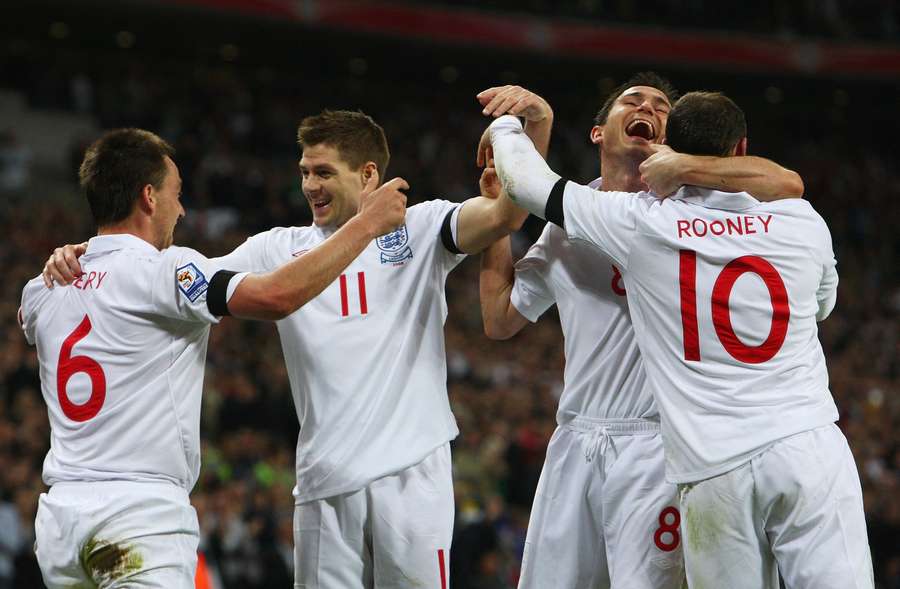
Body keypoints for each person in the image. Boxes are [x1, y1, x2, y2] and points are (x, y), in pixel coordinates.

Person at [43, 109, 537, 587]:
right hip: (323, 481)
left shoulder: (421, 227)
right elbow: (163, 274)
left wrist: (523, 142)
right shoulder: (274, 249)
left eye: (323, 172)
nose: (309, 186)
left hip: (412, 472)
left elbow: (505, 215)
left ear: (368, 174)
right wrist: (85, 252)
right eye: (304, 172)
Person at [485, 91, 874, 589]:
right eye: (633, 100)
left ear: (672, 147)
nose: (647, 109)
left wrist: (506, 128)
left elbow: (529, 183)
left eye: (661, 107)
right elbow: (820, 297)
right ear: (740, 150)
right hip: (802, 440)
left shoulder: (641, 224)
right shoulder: (799, 220)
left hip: (701, 458)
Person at [19, 127, 407, 588]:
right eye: (176, 194)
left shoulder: (43, 289)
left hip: (61, 523)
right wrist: (366, 225)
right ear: (149, 197)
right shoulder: (167, 271)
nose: (181, 210)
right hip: (138, 520)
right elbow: (276, 297)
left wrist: (70, 253)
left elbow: (37, 312)